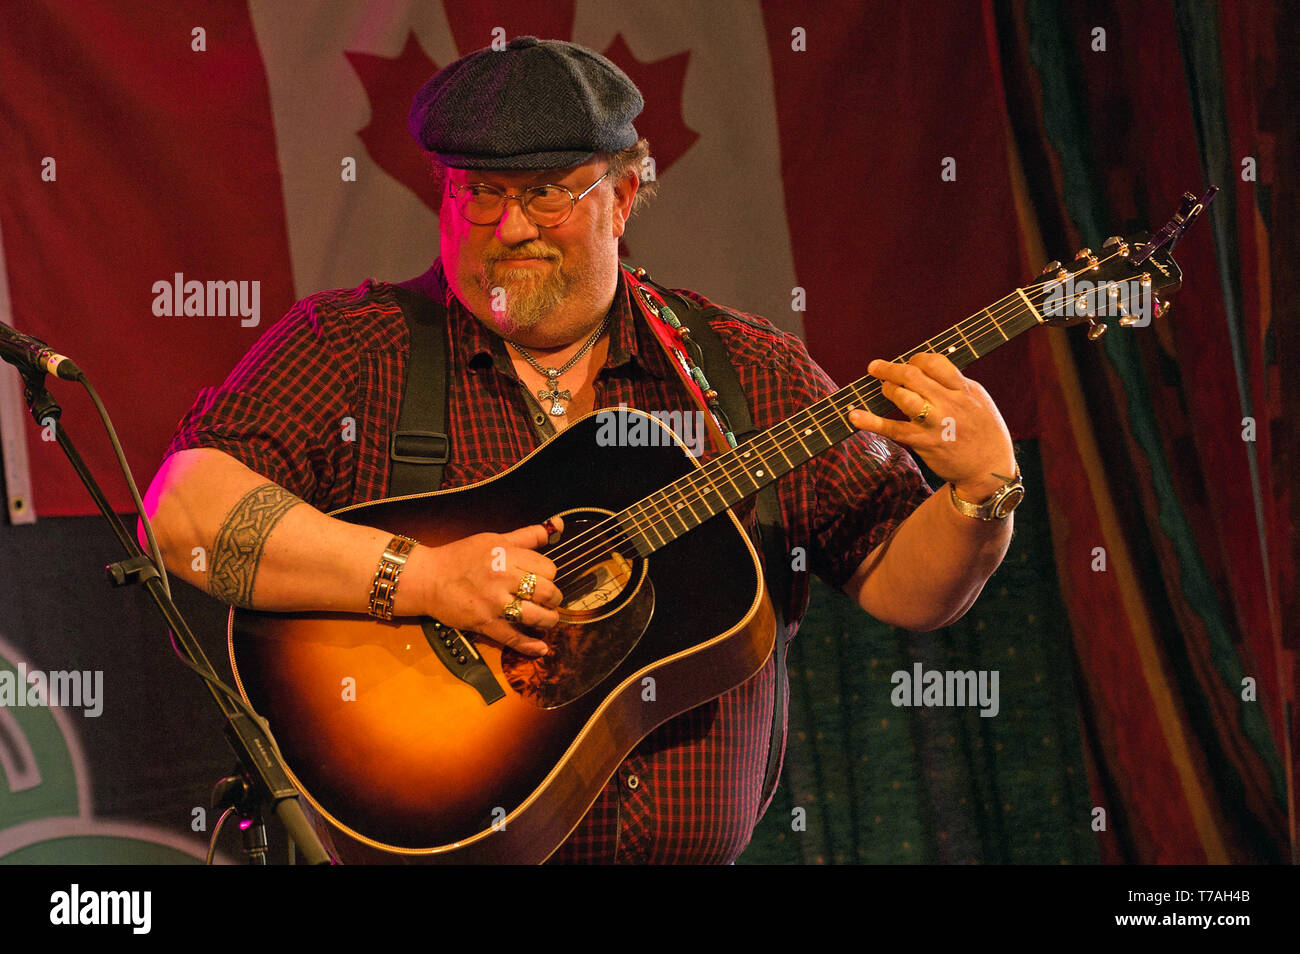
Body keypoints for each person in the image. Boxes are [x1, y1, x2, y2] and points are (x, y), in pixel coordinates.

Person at [141, 36, 1020, 864]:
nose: (509, 226)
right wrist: (426, 578)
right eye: (477, 192)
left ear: (624, 196)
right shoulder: (349, 347)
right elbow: (182, 513)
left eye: (546, 192)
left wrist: (984, 493)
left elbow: (907, 586)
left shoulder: (742, 367)